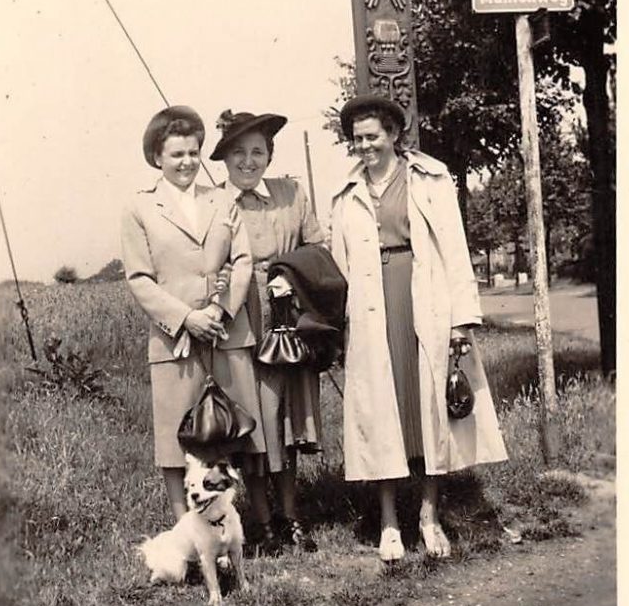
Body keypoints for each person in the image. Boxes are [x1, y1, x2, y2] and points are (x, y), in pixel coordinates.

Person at [330, 94, 507, 561]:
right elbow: (339, 265)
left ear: (392, 134)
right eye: (357, 139)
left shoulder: (429, 178)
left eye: (372, 136)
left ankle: (429, 515)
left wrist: (460, 321)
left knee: (431, 409)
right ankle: (389, 522)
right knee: (381, 412)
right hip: (371, 307)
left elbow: (454, 247)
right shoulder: (346, 193)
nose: (364, 146)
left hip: (424, 297)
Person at [121, 105, 260, 521]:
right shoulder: (140, 209)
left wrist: (220, 310)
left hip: (225, 333)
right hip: (175, 342)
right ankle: (188, 531)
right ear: (157, 157)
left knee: (231, 430)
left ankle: (231, 526)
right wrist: (187, 318)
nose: (186, 162)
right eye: (177, 154)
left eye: (193, 153)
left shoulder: (222, 201)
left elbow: (243, 261)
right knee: (177, 440)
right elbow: (140, 278)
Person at [209, 109, 326, 553]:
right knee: (253, 420)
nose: (248, 161)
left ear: (270, 155)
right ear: (224, 158)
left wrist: (291, 274)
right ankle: (261, 523)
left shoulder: (291, 194)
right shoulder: (213, 203)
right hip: (239, 320)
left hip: (286, 320)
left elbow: (317, 247)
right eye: (238, 152)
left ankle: (291, 517)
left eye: (257, 151)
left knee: (285, 419)